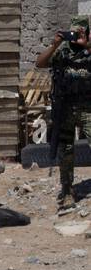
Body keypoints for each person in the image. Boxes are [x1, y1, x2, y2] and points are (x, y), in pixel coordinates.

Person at [36, 15, 91, 212]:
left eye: (80, 33)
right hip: (65, 108)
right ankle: (67, 191)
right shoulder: (62, 53)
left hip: (87, 107)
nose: (76, 36)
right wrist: (54, 45)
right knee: (66, 151)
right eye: (73, 32)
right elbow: (40, 63)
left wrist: (87, 46)